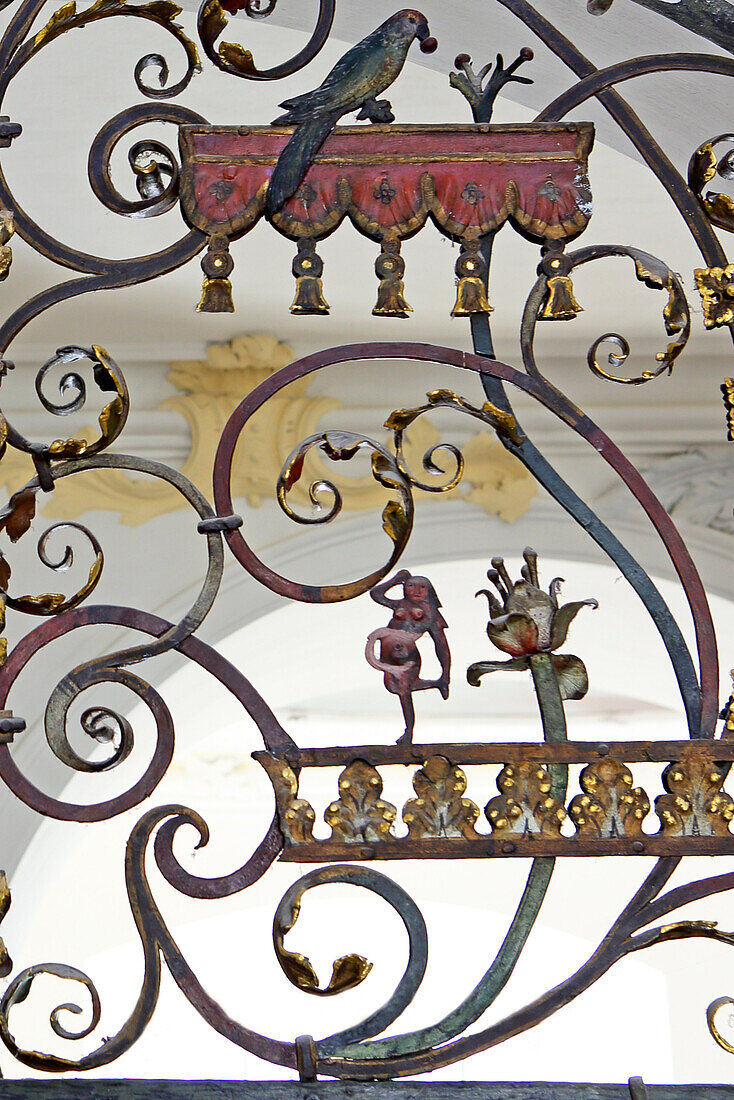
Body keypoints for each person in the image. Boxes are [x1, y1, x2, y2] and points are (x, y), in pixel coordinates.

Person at [365, 569, 450, 744]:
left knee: (404, 691)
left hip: (406, 656)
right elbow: (376, 593)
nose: (417, 591)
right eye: (411, 586)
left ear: (429, 591)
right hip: (388, 654)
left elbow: (441, 645)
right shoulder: (400, 604)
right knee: (394, 687)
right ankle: (434, 684)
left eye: (422, 587)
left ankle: (408, 731)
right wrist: (397, 579)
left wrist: (446, 672)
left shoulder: (432, 614)